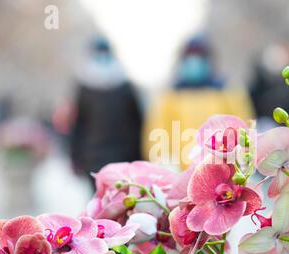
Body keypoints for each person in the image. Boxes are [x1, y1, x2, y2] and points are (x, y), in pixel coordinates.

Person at [142, 35, 255, 169]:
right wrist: (166, 167)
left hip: (223, 173)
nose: (194, 62)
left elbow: (245, 128)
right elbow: (156, 137)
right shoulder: (169, 97)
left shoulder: (227, 93)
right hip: (180, 173)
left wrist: (240, 163)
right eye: (190, 56)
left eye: (199, 56)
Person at [71, 37, 142, 186]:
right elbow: (78, 125)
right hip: (93, 159)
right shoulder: (84, 88)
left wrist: (138, 157)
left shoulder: (125, 87)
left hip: (123, 158)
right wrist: (76, 157)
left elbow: (137, 124)